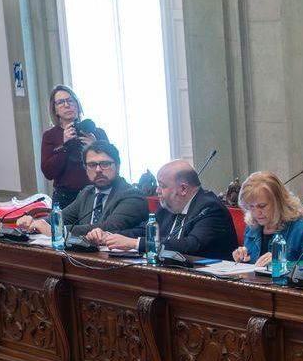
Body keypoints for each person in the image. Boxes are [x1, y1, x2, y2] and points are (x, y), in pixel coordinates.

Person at [91, 159, 238, 260]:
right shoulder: (168, 205)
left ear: (183, 189)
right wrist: (109, 236)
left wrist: (135, 244)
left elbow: (190, 245)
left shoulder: (210, 208)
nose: (157, 190)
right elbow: (144, 230)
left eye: (162, 185)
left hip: (208, 284)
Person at [16, 140, 147, 238]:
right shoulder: (87, 192)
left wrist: (56, 231)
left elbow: (109, 227)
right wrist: (35, 223)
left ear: (117, 166)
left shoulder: (133, 196)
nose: (98, 170)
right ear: (85, 168)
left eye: (105, 164)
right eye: (92, 165)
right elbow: (61, 218)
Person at [231, 171, 303, 266]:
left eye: (262, 206)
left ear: (279, 202)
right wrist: (242, 259)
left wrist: (283, 264)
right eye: (251, 206)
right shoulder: (252, 227)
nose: (256, 213)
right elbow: (254, 267)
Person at [40, 85, 109, 209]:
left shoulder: (96, 132)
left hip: (96, 193)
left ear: (77, 104)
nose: (67, 105)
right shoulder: (50, 135)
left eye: (70, 100)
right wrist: (64, 146)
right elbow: (48, 173)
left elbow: (112, 166)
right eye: (61, 102)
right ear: (55, 110)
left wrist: (95, 147)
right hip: (65, 198)